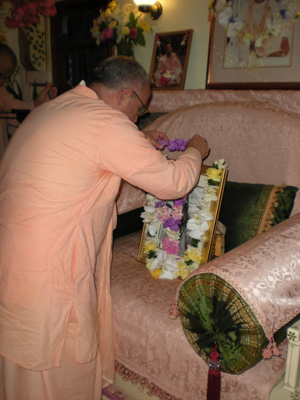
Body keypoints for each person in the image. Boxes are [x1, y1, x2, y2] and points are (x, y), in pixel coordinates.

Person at [0, 56, 209, 400]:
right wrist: (195, 152)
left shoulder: (55, 107)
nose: (137, 117)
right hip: (48, 264)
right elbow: (174, 183)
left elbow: (86, 148)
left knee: (20, 362)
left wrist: (138, 137)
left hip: (13, 253)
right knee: (54, 368)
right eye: (140, 109)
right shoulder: (107, 123)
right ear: (125, 95)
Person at [0, 42, 57, 159]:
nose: (2, 82)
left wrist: (36, 104)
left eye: (5, 78)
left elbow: (16, 110)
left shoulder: (1, 92)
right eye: (0, 76)